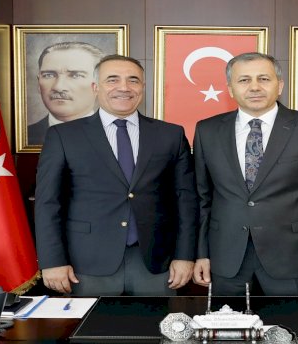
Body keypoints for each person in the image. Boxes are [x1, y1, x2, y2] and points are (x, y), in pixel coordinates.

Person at [34, 55, 198, 296]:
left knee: (160, 321)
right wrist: (52, 261)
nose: (124, 87)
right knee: (92, 322)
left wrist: (185, 256)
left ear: (143, 87)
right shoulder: (63, 136)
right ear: (95, 87)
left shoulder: (170, 134)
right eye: (112, 80)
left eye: (133, 80)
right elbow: (48, 203)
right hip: (87, 262)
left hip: (156, 262)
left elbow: (186, 200)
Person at [192, 52, 298, 296]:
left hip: (294, 259)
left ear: (279, 85)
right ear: (230, 89)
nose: (254, 87)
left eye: (263, 79)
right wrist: (201, 253)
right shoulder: (207, 130)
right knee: (229, 322)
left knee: (297, 321)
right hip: (226, 260)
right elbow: (202, 199)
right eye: (244, 80)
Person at [27, 42, 104, 146]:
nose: (58, 87)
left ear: (99, 83)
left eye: (75, 75)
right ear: (38, 83)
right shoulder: (23, 137)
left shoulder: (118, 136)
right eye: (49, 75)